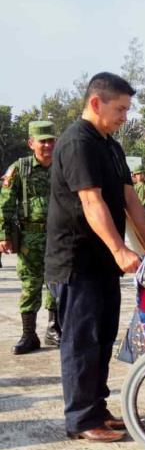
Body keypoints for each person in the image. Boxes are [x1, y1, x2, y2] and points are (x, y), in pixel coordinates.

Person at [46, 72, 145, 443]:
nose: (126, 116)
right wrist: (120, 249)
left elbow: (130, 200)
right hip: (75, 261)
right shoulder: (77, 143)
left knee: (103, 336)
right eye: (121, 108)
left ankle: (97, 407)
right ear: (96, 103)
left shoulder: (110, 145)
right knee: (81, 340)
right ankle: (80, 419)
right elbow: (91, 202)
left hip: (102, 263)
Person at [0, 120, 60, 354]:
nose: (47, 145)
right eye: (42, 141)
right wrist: (3, 235)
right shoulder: (20, 168)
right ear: (31, 143)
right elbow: (5, 203)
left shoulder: (63, 166)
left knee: (57, 283)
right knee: (30, 285)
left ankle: (54, 329)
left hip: (58, 236)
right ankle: (29, 335)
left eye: (51, 140)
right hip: (29, 237)